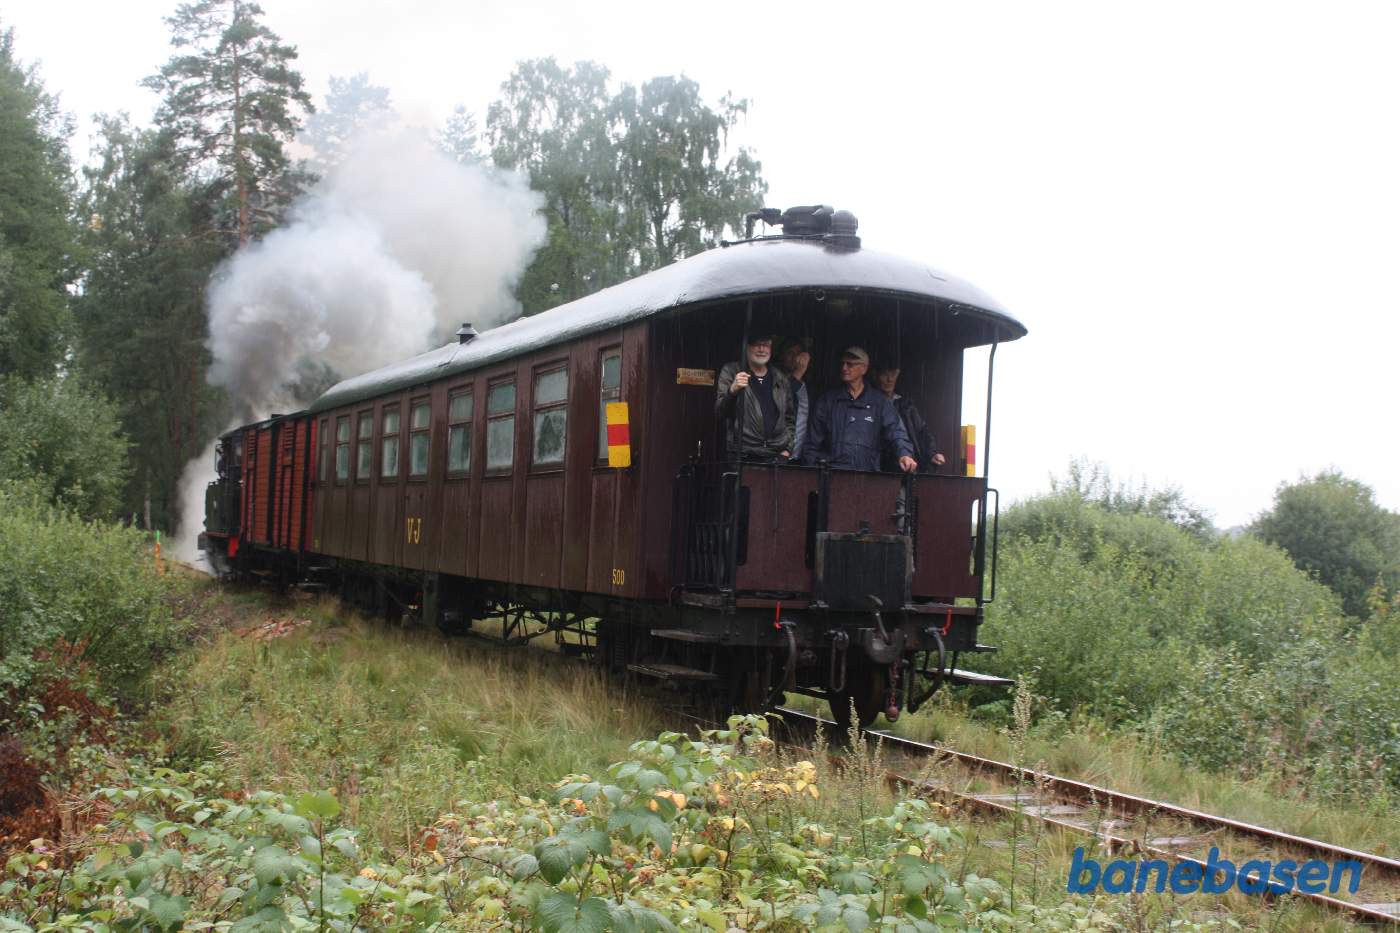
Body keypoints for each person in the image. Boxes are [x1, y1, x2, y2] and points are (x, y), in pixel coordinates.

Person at [804, 347, 917, 472]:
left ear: (864, 368)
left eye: (850, 364)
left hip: (867, 478)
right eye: (843, 363)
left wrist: (904, 454)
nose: (844, 368)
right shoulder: (828, 400)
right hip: (833, 476)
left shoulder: (880, 402)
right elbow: (812, 443)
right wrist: (814, 470)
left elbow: (896, 431)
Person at [715, 334, 795, 462]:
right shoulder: (731, 371)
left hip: (775, 456)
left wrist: (787, 449)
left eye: (766, 345)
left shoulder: (780, 377)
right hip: (743, 455)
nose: (762, 349)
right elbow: (721, 413)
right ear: (746, 347)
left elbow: (789, 418)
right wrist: (732, 391)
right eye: (757, 344)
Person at [874, 363, 946, 472]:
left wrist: (932, 453)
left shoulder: (906, 404)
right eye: (885, 375)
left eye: (893, 374)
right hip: (880, 466)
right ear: (876, 376)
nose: (889, 379)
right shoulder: (870, 403)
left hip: (906, 465)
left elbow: (922, 431)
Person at [775, 336, 811, 460]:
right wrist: (798, 373)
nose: (795, 358)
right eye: (790, 353)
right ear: (782, 356)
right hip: (779, 453)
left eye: (798, 354)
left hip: (802, 455)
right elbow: (781, 400)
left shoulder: (810, 383)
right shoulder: (773, 377)